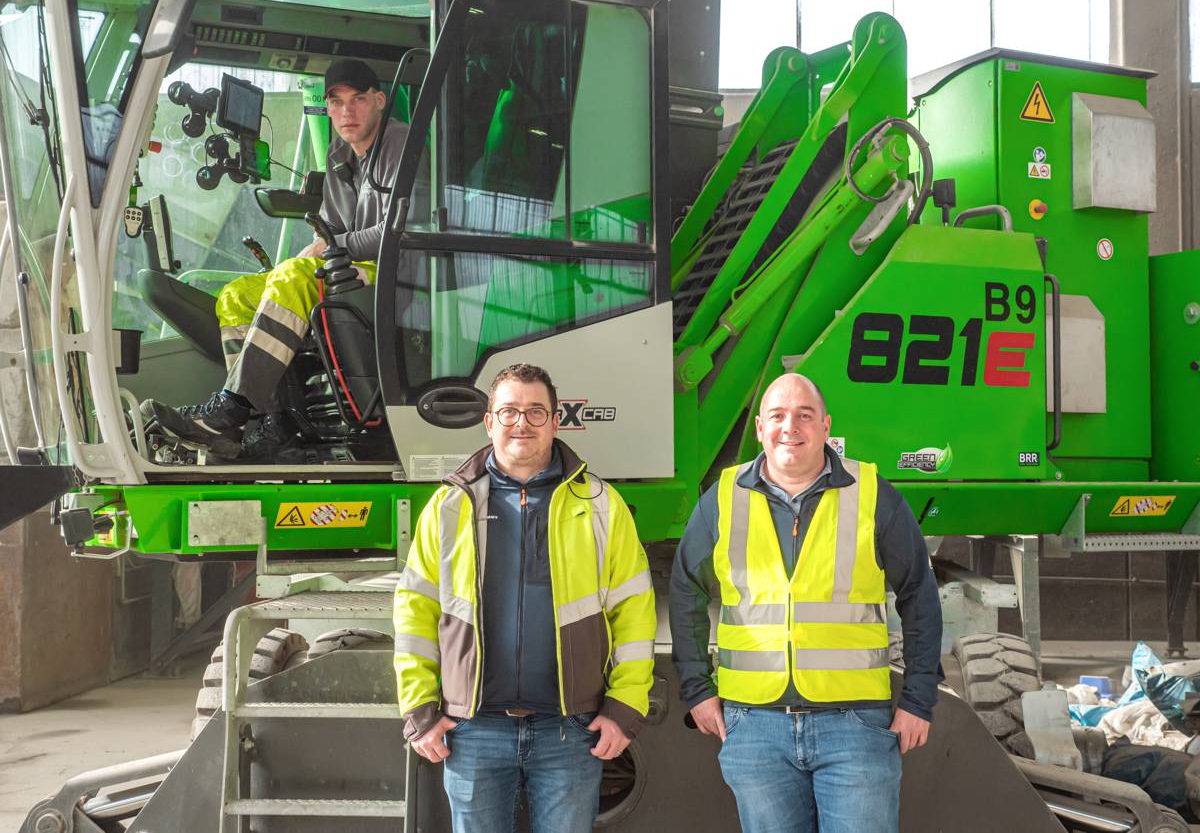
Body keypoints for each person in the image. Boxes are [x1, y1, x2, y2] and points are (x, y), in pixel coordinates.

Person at [669, 372, 943, 833]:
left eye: (804, 415)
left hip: (854, 725)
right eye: (777, 416)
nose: (789, 427)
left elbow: (919, 593)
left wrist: (918, 700)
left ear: (825, 426)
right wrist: (697, 688)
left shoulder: (872, 494)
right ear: (760, 428)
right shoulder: (724, 498)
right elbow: (684, 590)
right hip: (755, 727)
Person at [393, 363, 656, 833]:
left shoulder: (600, 504)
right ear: (489, 421)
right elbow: (416, 612)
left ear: (557, 421)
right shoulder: (449, 506)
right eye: (509, 411)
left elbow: (634, 613)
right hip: (472, 731)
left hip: (570, 729)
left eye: (536, 412)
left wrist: (624, 708)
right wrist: (419, 711)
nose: (522, 423)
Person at [142, 57, 407, 461]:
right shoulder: (339, 157)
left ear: (380, 101)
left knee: (296, 274)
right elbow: (327, 230)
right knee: (236, 295)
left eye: (358, 100)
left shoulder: (400, 146)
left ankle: (233, 404)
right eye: (336, 102)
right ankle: (272, 421)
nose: (346, 111)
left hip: (390, 272)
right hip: (344, 264)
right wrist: (320, 247)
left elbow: (397, 231)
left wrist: (331, 248)